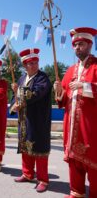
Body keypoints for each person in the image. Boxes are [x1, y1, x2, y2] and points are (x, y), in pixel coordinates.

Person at [54, 27, 97, 198]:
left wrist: (84, 86)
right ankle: (76, 192)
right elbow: (63, 99)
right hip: (71, 124)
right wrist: (58, 91)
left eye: (81, 44)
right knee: (74, 160)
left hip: (91, 124)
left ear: (89, 45)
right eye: (75, 45)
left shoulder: (96, 66)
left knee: (93, 159)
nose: (77, 47)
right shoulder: (70, 70)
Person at [10, 48, 51, 193]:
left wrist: (19, 94)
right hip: (24, 120)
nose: (33, 65)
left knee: (39, 149)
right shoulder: (21, 79)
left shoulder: (42, 78)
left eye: (35, 62)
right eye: (30, 63)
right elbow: (14, 99)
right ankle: (27, 173)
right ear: (24, 66)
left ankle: (43, 179)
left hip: (38, 120)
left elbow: (36, 93)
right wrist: (13, 103)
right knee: (25, 148)